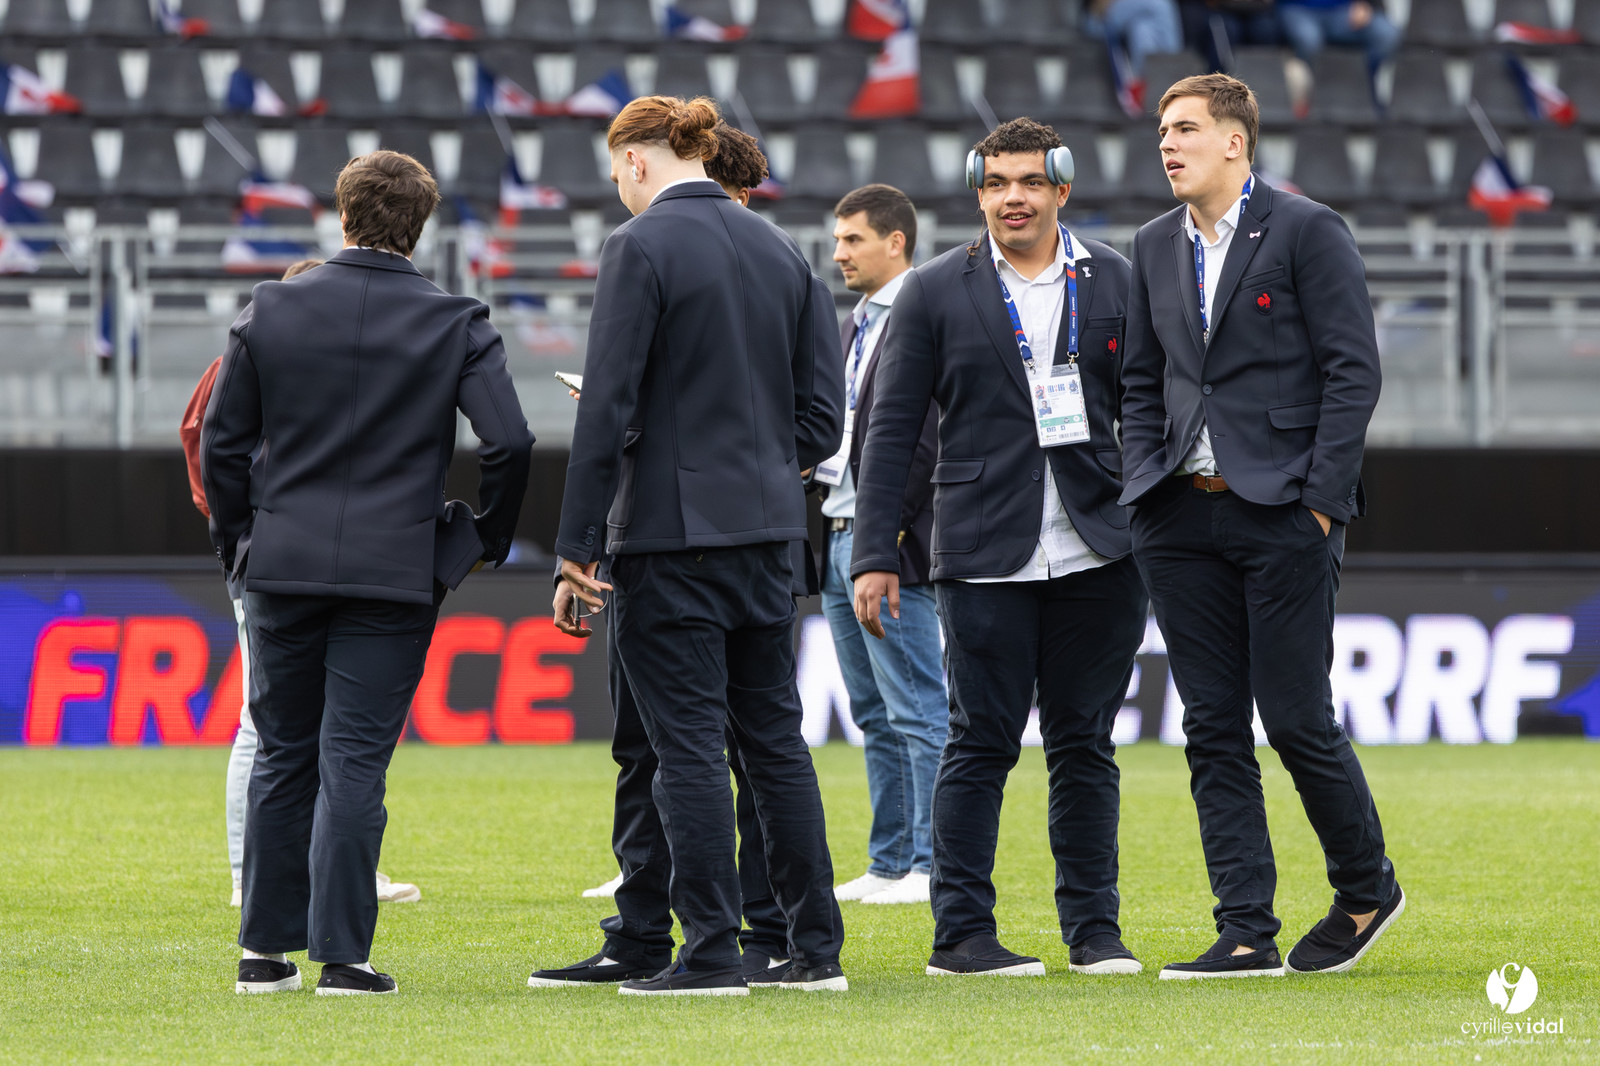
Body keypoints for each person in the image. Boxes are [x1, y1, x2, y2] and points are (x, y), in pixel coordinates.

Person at [202, 150, 533, 996]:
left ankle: (262, 956)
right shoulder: (455, 319)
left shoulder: (271, 308)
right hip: (393, 574)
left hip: (281, 564)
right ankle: (344, 959)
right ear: (417, 226)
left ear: (342, 216)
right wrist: (483, 540)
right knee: (354, 762)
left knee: (283, 754)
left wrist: (241, 541)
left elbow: (222, 443)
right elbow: (511, 443)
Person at [550, 95, 846, 996]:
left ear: (637, 161)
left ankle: (712, 952)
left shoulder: (637, 247)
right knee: (774, 747)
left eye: (615, 175)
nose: (618, 192)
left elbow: (603, 411)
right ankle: (813, 955)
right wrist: (750, 467)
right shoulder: (782, 251)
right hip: (765, 537)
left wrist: (576, 550)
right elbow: (822, 423)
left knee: (683, 751)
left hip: (669, 544)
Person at [1120, 74, 1401, 979]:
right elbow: (1142, 381)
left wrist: (1320, 501)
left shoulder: (1308, 228)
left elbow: (1353, 373)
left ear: (1236, 141)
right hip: (1177, 517)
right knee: (1210, 728)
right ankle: (1245, 930)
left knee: (1293, 719)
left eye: (1187, 129)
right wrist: (1143, 480)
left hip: (1284, 513)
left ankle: (1366, 888)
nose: (1168, 144)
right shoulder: (1153, 242)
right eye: (1163, 130)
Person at [852, 118, 1148, 978]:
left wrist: (1150, 522)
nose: (1011, 197)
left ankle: (1095, 933)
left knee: (1085, 746)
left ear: (1062, 188)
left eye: (1028, 182)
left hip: (1101, 550)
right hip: (983, 552)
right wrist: (876, 550)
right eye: (995, 184)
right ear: (978, 192)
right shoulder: (937, 289)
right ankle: (961, 937)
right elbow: (892, 428)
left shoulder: (1119, 282)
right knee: (978, 744)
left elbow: (1152, 412)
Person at [180, 257, 421, 911]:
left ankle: (333, 868)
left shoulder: (281, 349)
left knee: (314, 725)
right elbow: (208, 442)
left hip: (283, 550)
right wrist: (239, 534)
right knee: (263, 724)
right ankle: (246, 873)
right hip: (269, 554)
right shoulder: (261, 348)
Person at [815, 183, 947, 907]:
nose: (840, 254)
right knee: (873, 712)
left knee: (919, 709)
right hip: (837, 530)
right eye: (838, 241)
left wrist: (888, 540)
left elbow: (919, 442)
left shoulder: (922, 317)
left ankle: (931, 864)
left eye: (853, 240)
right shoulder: (853, 325)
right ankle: (891, 858)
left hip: (889, 545)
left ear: (896, 242)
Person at [1277, 0, 1399, 75]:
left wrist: (1366, 3)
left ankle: (1366, 87)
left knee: (1385, 33)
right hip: (1297, 9)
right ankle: (1304, 98)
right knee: (1308, 39)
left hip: (1344, 11)